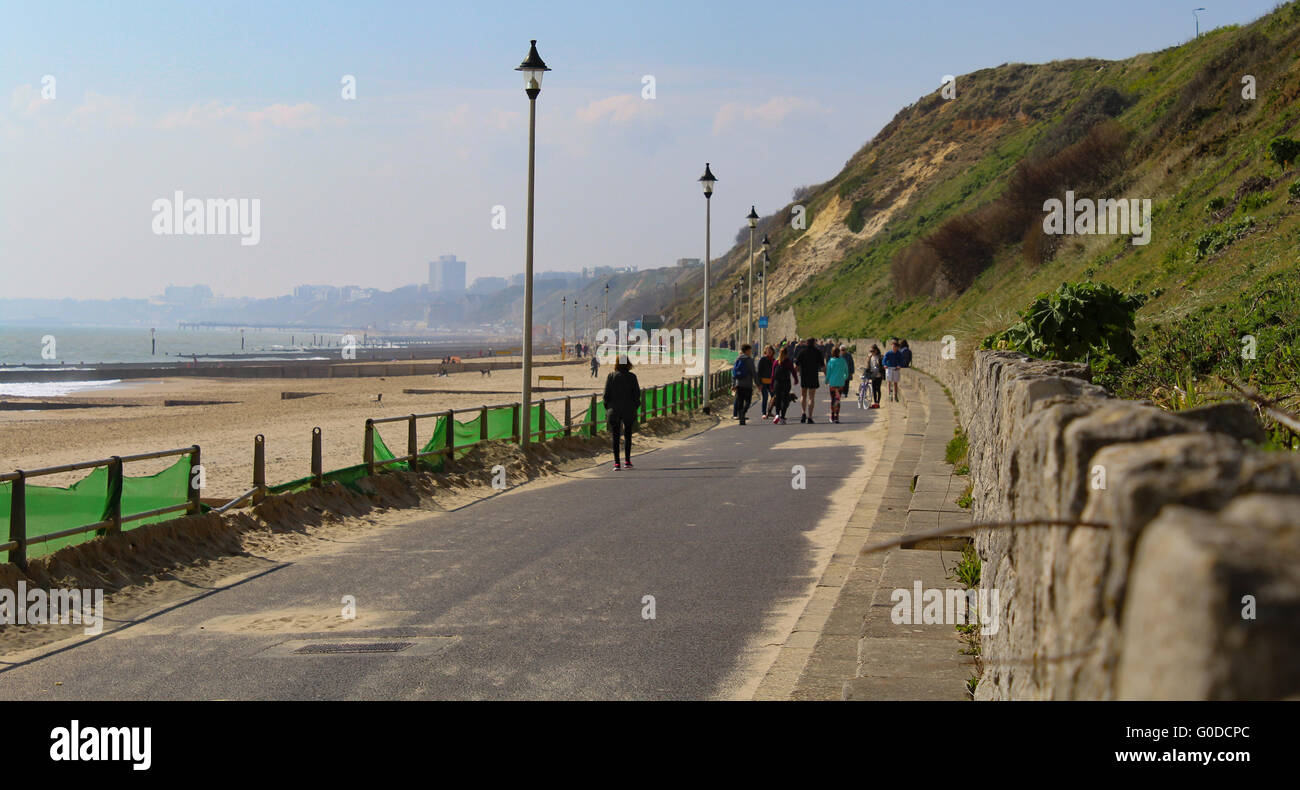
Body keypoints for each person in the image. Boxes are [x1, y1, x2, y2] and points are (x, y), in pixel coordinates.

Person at [603, 355, 641, 470]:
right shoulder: (632, 377)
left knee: (615, 436)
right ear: (628, 363)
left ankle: (616, 463)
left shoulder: (611, 376)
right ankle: (627, 461)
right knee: (628, 435)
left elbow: (606, 395)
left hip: (614, 410)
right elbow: (637, 394)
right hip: (628, 409)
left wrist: (608, 407)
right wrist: (635, 406)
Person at [795, 336, 824, 423]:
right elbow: (823, 366)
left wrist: (794, 376)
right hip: (813, 376)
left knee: (803, 395)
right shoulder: (818, 352)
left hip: (804, 376)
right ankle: (810, 417)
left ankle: (803, 412)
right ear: (814, 343)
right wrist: (827, 376)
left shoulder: (802, 352)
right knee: (811, 397)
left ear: (806, 343)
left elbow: (796, 365)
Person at [770, 345, 798, 424]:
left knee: (777, 399)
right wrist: (796, 379)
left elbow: (772, 375)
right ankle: (782, 417)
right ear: (787, 354)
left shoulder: (776, 362)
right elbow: (793, 371)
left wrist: (771, 385)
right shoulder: (788, 362)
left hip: (777, 383)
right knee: (785, 400)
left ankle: (777, 415)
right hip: (786, 383)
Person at [731, 343, 756, 424]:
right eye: (750, 350)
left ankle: (741, 419)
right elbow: (753, 373)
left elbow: (734, 373)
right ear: (747, 351)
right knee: (748, 402)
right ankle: (743, 413)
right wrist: (758, 384)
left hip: (738, 384)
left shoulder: (737, 359)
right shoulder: (749, 360)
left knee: (740, 401)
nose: (751, 352)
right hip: (747, 384)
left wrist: (733, 384)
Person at [824, 345, 849, 423]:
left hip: (833, 383)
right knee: (838, 400)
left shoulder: (831, 361)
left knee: (833, 400)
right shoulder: (843, 361)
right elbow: (846, 372)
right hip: (840, 383)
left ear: (832, 353)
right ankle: (837, 416)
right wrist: (844, 378)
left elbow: (828, 373)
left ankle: (832, 416)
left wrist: (826, 380)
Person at [756, 344, 776, 418]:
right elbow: (759, 372)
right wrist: (759, 384)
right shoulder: (762, 359)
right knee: (765, 397)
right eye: (768, 350)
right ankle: (764, 413)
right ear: (765, 351)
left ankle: (769, 412)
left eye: (770, 350)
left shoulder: (774, 360)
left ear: (773, 351)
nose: (769, 352)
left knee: (773, 397)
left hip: (771, 382)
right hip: (763, 382)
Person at [863, 343, 884, 408]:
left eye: (873, 351)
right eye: (871, 351)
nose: (872, 352)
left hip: (879, 375)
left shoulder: (880, 357)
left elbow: (882, 365)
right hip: (873, 374)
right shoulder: (870, 357)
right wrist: (868, 359)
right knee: (874, 389)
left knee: (878, 389)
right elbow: (868, 366)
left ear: (876, 350)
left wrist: (879, 364)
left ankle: (878, 402)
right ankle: (875, 402)